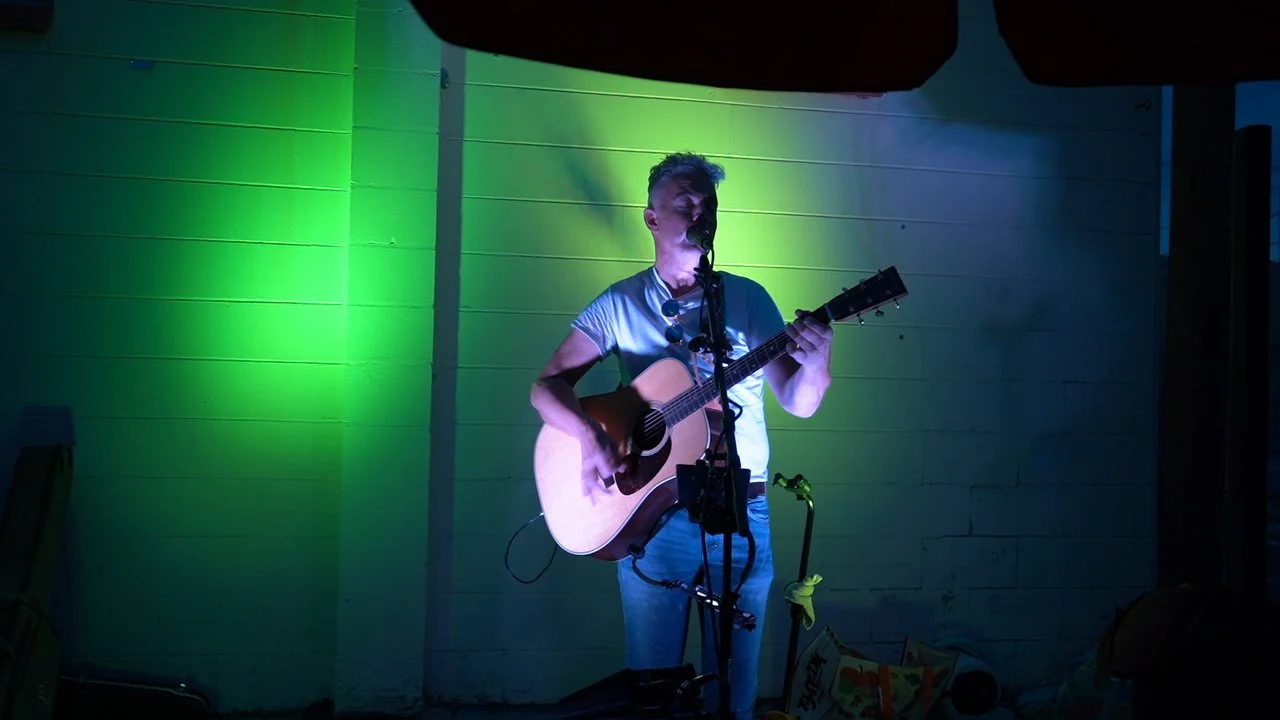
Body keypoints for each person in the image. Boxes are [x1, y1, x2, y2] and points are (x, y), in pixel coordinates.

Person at [529, 152, 835, 720]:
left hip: (745, 507)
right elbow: (547, 387)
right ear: (651, 218)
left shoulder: (747, 299)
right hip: (656, 514)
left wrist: (818, 361)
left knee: (734, 695)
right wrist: (592, 441)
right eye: (686, 202)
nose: (702, 211)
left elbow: (798, 400)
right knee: (655, 690)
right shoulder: (620, 303)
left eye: (709, 203)